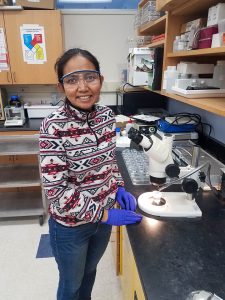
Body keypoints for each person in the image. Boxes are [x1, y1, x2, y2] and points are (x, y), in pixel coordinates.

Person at [39, 48, 142, 300]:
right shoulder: (52, 126)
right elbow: (57, 192)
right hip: (70, 227)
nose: (83, 87)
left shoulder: (107, 117)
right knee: (71, 283)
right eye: (72, 79)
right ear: (61, 86)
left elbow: (109, 161)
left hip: (102, 222)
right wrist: (106, 214)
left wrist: (118, 186)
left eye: (89, 77)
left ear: (101, 80)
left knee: (90, 272)